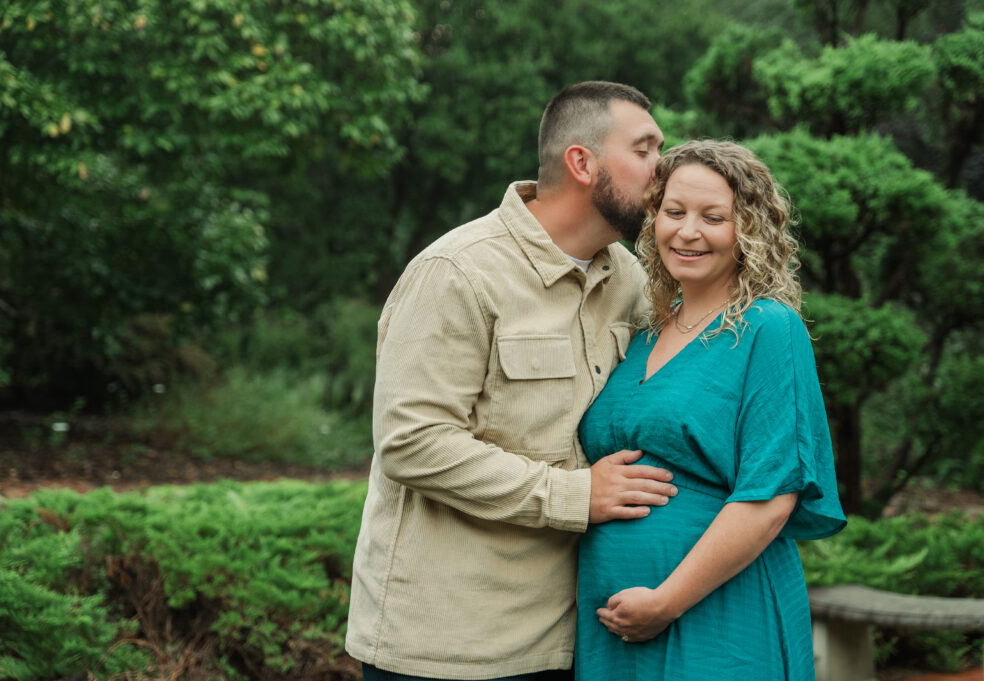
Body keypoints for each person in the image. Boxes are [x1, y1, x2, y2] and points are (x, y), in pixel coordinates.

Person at [346, 81, 679, 681]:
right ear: (583, 162)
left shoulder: (628, 277)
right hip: (448, 647)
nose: (666, 167)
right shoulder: (457, 273)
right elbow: (410, 442)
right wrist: (576, 495)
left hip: (574, 638)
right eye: (646, 149)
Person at [574, 140, 847, 680]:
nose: (688, 231)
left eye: (713, 217)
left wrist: (666, 601)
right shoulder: (644, 331)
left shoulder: (768, 328)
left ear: (748, 230)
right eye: (674, 213)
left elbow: (770, 495)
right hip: (613, 627)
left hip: (717, 614)